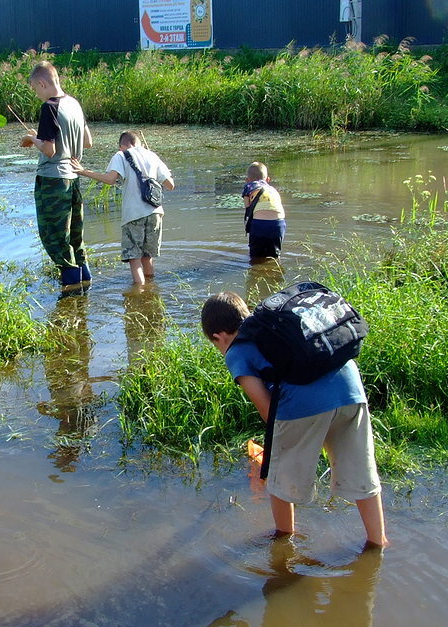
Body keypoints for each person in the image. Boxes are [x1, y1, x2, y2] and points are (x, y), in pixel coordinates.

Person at [200, 291, 387, 546]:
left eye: (216, 345)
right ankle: (378, 541)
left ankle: (283, 544)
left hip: (305, 403)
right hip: (351, 389)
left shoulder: (236, 352)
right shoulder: (273, 325)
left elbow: (269, 412)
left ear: (218, 336)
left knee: (279, 482)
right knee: (361, 472)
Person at [20, 61, 94, 291]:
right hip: (74, 176)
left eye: (35, 89)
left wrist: (32, 139)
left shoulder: (49, 108)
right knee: (74, 237)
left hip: (53, 180)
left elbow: (50, 150)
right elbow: (88, 142)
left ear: (42, 83)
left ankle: (71, 296)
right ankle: (85, 286)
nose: (37, 94)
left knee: (55, 237)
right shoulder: (74, 104)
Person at [73, 130, 175, 286]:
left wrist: (83, 171)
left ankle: (139, 295)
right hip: (155, 213)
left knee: (135, 259)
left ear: (122, 145)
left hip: (134, 214)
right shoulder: (152, 156)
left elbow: (110, 179)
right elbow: (170, 185)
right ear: (138, 142)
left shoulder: (121, 155)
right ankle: (151, 294)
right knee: (147, 257)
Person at [242, 161, 286, 264]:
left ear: (247, 180)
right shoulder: (273, 190)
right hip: (278, 224)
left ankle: (256, 270)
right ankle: (275, 270)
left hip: (259, 224)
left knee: (255, 256)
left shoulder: (249, 187)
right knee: (274, 255)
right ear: (268, 180)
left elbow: (248, 209)